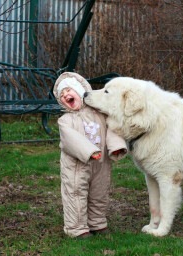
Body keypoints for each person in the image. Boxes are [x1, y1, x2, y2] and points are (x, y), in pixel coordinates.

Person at [53, 72, 127, 239]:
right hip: (76, 167)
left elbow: (112, 128)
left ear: (79, 91)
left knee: (99, 193)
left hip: (101, 164)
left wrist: (116, 147)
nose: (66, 96)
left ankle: (97, 223)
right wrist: (90, 151)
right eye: (62, 95)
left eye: (68, 91)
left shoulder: (99, 113)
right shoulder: (65, 120)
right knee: (75, 194)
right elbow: (70, 139)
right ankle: (77, 229)